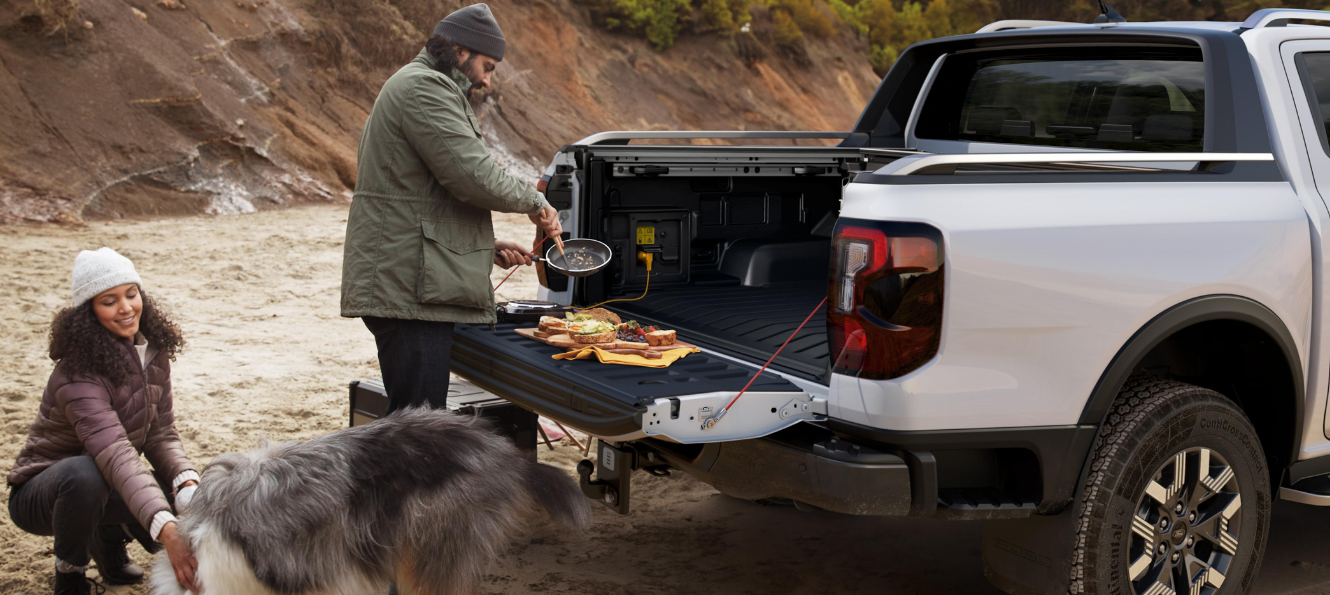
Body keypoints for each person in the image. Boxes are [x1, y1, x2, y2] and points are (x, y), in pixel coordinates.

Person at [341, 3, 562, 414]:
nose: (487, 80)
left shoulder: (421, 85)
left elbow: (420, 194)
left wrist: (482, 245)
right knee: (421, 432)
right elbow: (470, 174)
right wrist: (536, 202)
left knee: (417, 425)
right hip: (409, 292)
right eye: (488, 66)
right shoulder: (425, 87)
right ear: (460, 51)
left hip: (412, 281)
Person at [7, 248, 202, 595]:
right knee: (87, 474)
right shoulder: (77, 375)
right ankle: (70, 576)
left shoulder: (152, 353)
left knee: (180, 501)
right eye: (109, 301)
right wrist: (167, 530)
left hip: (105, 478)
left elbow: (161, 435)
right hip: (45, 494)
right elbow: (115, 453)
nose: (126, 307)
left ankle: (107, 541)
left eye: (131, 294)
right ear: (89, 313)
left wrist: (186, 482)